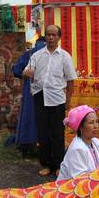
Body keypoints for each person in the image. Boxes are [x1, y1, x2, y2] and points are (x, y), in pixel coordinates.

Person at [23, 23, 76, 177]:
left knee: (57, 133)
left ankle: (58, 165)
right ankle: (46, 164)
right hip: (40, 96)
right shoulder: (36, 55)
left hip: (57, 98)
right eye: (49, 35)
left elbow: (71, 80)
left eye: (54, 35)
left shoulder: (65, 56)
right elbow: (26, 71)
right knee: (43, 132)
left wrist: (68, 99)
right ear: (45, 36)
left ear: (59, 37)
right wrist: (27, 72)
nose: (51, 38)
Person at [10, 37, 44, 156]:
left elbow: (16, 70)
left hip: (30, 92)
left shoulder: (29, 53)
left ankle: (25, 146)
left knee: (28, 117)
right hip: (49, 93)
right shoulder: (53, 53)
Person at [58, 104, 99, 181]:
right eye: (91, 123)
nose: (96, 126)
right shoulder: (77, 148)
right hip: (70, 188)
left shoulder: (96, 142)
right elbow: (80, 180)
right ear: (80, 127)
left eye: (96, 121)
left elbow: (98, 167)